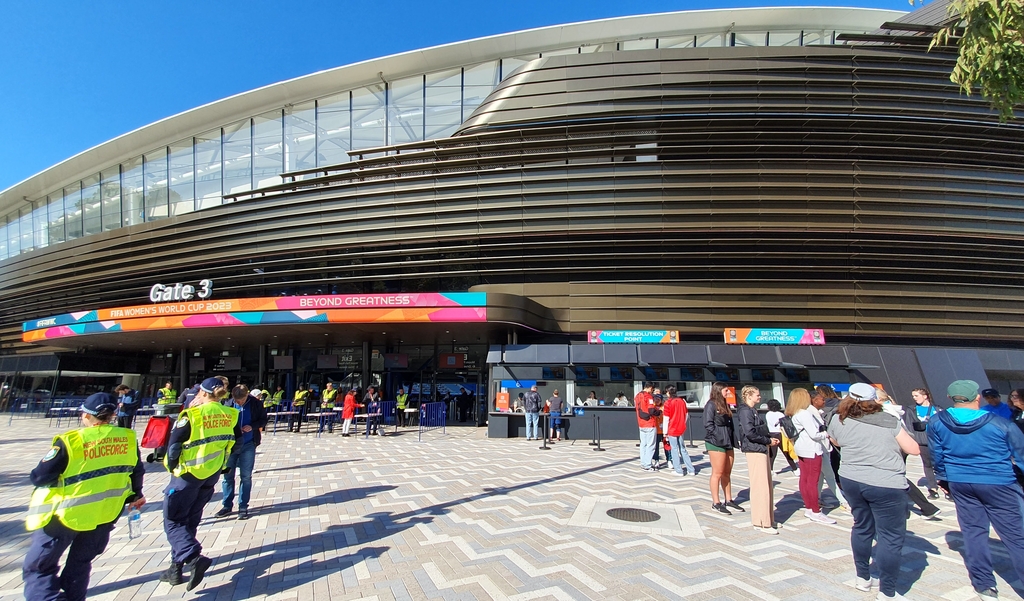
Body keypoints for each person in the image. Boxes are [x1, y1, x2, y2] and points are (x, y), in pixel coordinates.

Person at [22, 393, 146, 601]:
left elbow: (40, 476)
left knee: (39, 568)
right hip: (104, 514)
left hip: (66, 515)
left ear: (87, 416)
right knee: (80, 566)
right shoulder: (127, 438)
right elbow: (137, 471)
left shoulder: (72, 441)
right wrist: (136, 495)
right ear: (112, 415)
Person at [928, 379, 1024, 600]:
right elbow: (1021, 456)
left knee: (973, 533)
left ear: (951, 398)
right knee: (1016, 537)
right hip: (999, 483)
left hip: (960, 482)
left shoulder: (936, 422)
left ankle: (984, 586)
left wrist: (943, 480)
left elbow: (937, 456)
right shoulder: (1000, 423)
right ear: (977, 397)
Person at [828, 388, 921, 601]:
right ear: (874, 400)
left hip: (852, 479)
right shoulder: (888, 420)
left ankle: (862, 578)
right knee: (890, 537)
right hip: (886, 483)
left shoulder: (838, 419)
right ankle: (887, 592)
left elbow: (836, 441)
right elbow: (914, 449)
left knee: (862, 526)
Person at [160, 377, 240, 591]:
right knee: (190, 520)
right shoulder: (230, 414)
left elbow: (174, 446)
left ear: (203, 393)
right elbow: (235, 440)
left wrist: (171, 468)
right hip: (211, 474)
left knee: (173, 521)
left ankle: (194, 558)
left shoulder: (192, 415)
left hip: (187, 474)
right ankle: (175, 568)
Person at [216, 385, 268, 520]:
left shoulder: (256, 404)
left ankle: (243, 506)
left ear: (247, 395)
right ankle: (227, 505)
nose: (239, 403)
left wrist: (253, 426)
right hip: (231, 445)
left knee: (246, 477)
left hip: (248, 444)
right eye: (237, 401)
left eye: (242, 400)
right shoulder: (227, 404)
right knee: (227, 476)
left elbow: (264, 419)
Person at [786, 388, 836, 524]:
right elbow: (814, 434)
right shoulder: (805, 414)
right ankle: (815, 510)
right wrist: (826, 434)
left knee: (805, 479)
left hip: (801, 448)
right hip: (812, 449)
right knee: (812, 481)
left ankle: (809, 507)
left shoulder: (793, 412)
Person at [736, 386, 779, 534]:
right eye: (757, 395)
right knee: (759, 486)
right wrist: (767, 440)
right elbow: (750, 432)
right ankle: (761, 522)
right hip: (755, 448)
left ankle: (768, 519)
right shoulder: (745, 411)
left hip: (760, 448)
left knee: (766, 484)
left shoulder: (752, 410)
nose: (760, 397)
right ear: (748, 395)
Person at [704, 382, 742, 514]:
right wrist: (717, 436)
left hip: (728, 441)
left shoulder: (725, 404)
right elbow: (708, 424)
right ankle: (716, 502)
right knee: (718, 472)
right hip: (716, 442)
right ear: (719, 391)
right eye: (726, 391)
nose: (728, 393)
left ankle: (729, 499)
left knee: (727, 472)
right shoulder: (711, 404)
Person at [811, 391, 849, 511]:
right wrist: (826, 435)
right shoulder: (809, 413)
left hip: (824, 448)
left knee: (822, 476)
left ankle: (818, 499)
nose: (824, 401)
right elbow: (814, 434)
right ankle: (843, 501)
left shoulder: (818, 412)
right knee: (830, 476)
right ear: (814, 400)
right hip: (818, 448)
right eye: (822, 399)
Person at [909, 387, 941, 498]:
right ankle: (933, 488)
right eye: (913, 396)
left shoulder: (937, 409)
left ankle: (947, 487)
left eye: (916, 396)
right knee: (927, 464)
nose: (914, 398)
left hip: (937, 440)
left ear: (925, 396)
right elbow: (909, 425)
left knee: (940, 463)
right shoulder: (912, 410)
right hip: (922, 440)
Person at [663, 386, 696, 476]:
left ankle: (678, 470)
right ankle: (691, 469)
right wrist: (683, 424)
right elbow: (686, 414)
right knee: (683, 449)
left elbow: (666, 418)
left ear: (668, 392)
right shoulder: (682, 401)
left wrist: (665, 432)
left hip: (672, 429)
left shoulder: (668, 403)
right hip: (681, 428)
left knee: (674, 449)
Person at [765, 399, 799, 474]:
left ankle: (770, 469)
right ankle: (795, 469)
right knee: (786, 452)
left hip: (772, 434)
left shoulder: (768, 414)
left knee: (772, 454)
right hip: (781, 434)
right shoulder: (780, 414)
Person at [636, 383, 659, 471]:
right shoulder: (648, 397)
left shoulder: (637, 396)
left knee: (643, 444)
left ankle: (643, 462)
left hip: (641, 423)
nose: (652, 391)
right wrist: (658, 412)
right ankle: (648, 464)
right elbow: (651, 410)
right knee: (650, 445)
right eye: (652, 389)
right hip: (649, 423)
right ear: (649, 388)